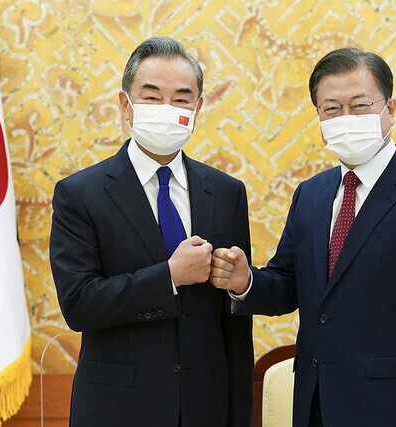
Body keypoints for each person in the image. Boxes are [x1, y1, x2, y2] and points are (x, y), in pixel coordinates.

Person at [210, 48, 396, 426]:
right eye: (331, 109)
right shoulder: (311, 194)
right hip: (317, 405)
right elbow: (290, 284)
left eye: (360, 105)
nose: (345, 118)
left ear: (391, 109)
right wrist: (245, 281)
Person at [49, 36, 253, 427]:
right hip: (116, 409)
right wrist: (170, 277)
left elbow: (235, 326)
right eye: (152, 97)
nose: (167, 109)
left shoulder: (226, 192)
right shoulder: (80, 194)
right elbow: (79, 304)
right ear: (126, 105)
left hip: (206, 408)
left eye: (181, 98)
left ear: (198, 108)